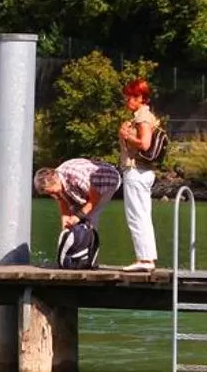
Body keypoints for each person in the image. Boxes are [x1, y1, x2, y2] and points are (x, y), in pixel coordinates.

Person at [36, 158, 121, 268]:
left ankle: (90, 260)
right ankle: (74, 257)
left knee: (90, 217)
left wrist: (78, 216)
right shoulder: (57, 181)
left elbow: (94, 200)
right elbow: (62, 201)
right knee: (76, 220)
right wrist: (65, 229)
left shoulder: (76, 177)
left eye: (51, 192)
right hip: (83, 189)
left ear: (55, 180)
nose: (52, 195)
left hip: (107, 180)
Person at [117, 78, 163, 271]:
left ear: (140, 98)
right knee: (141, 214)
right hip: (142, 171)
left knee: (136, 215)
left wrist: (127, 136)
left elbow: (144, 144)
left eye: (130, 96)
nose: (127, 100)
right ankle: (146, 258)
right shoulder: (142, 116)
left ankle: (144, 260)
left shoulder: (143, 117)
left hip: (137, 170)